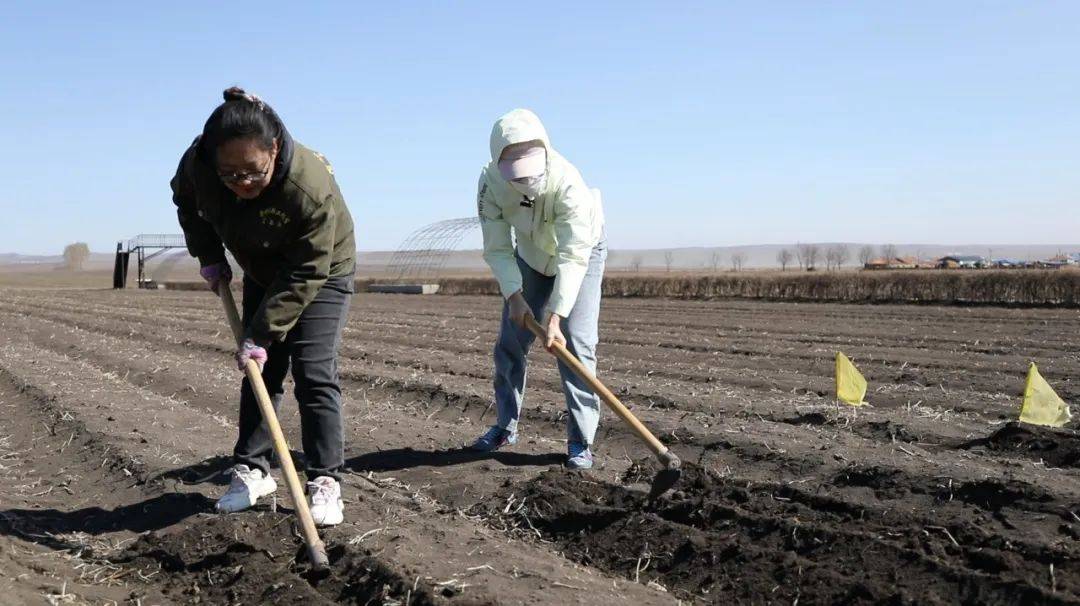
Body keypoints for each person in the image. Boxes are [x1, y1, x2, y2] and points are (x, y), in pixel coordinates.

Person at [171, 87, 356, 525]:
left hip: (321, 269)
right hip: (261, 266)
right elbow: (187, 203)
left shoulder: (308, 188)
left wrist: (260, 332)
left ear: (273, 149)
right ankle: (253, 470)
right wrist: (210, 256)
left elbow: (308, 269)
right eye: (229, 175)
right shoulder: (199, 166)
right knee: (262, 370)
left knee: (312, 369)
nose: (242, 183)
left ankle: (326, 480)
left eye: (252, 172)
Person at [472, 108, 607, 469]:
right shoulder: (490, 184)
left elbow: (573, 255)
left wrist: (556, 316)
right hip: (530, 256)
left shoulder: (569, 186)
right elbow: (497, 246)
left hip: (582, 254)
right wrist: (514, 297)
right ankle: (504, 426)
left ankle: (581, 441)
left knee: (576, 345)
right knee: (510, 342)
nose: (525, 183)